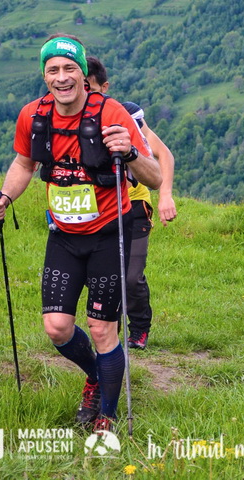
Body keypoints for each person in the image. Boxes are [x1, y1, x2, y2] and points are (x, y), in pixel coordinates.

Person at [0, 34, 161, 432]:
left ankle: (107, 416)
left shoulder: (112, 112)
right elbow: (24, 164)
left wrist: (130, 152)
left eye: (69, 69)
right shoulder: (33, 115)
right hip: (63, 236)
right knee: (57, 327)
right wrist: (5, 197)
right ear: (44, 75)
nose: (61, 77)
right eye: (53, 70)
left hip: (109, 235)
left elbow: (154, 175)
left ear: (83, 74)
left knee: (102, 329)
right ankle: (97, 375)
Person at [86, 56, 177, 350]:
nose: (85, 95)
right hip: (95, 210)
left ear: (105, 87)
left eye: (90, 88)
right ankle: (108, 329)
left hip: (134, 206)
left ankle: (138, 328)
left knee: (131, 277)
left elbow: (163, 153)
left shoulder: (126, 115)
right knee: (98, 276)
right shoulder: (65, 120)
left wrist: (165, 195)